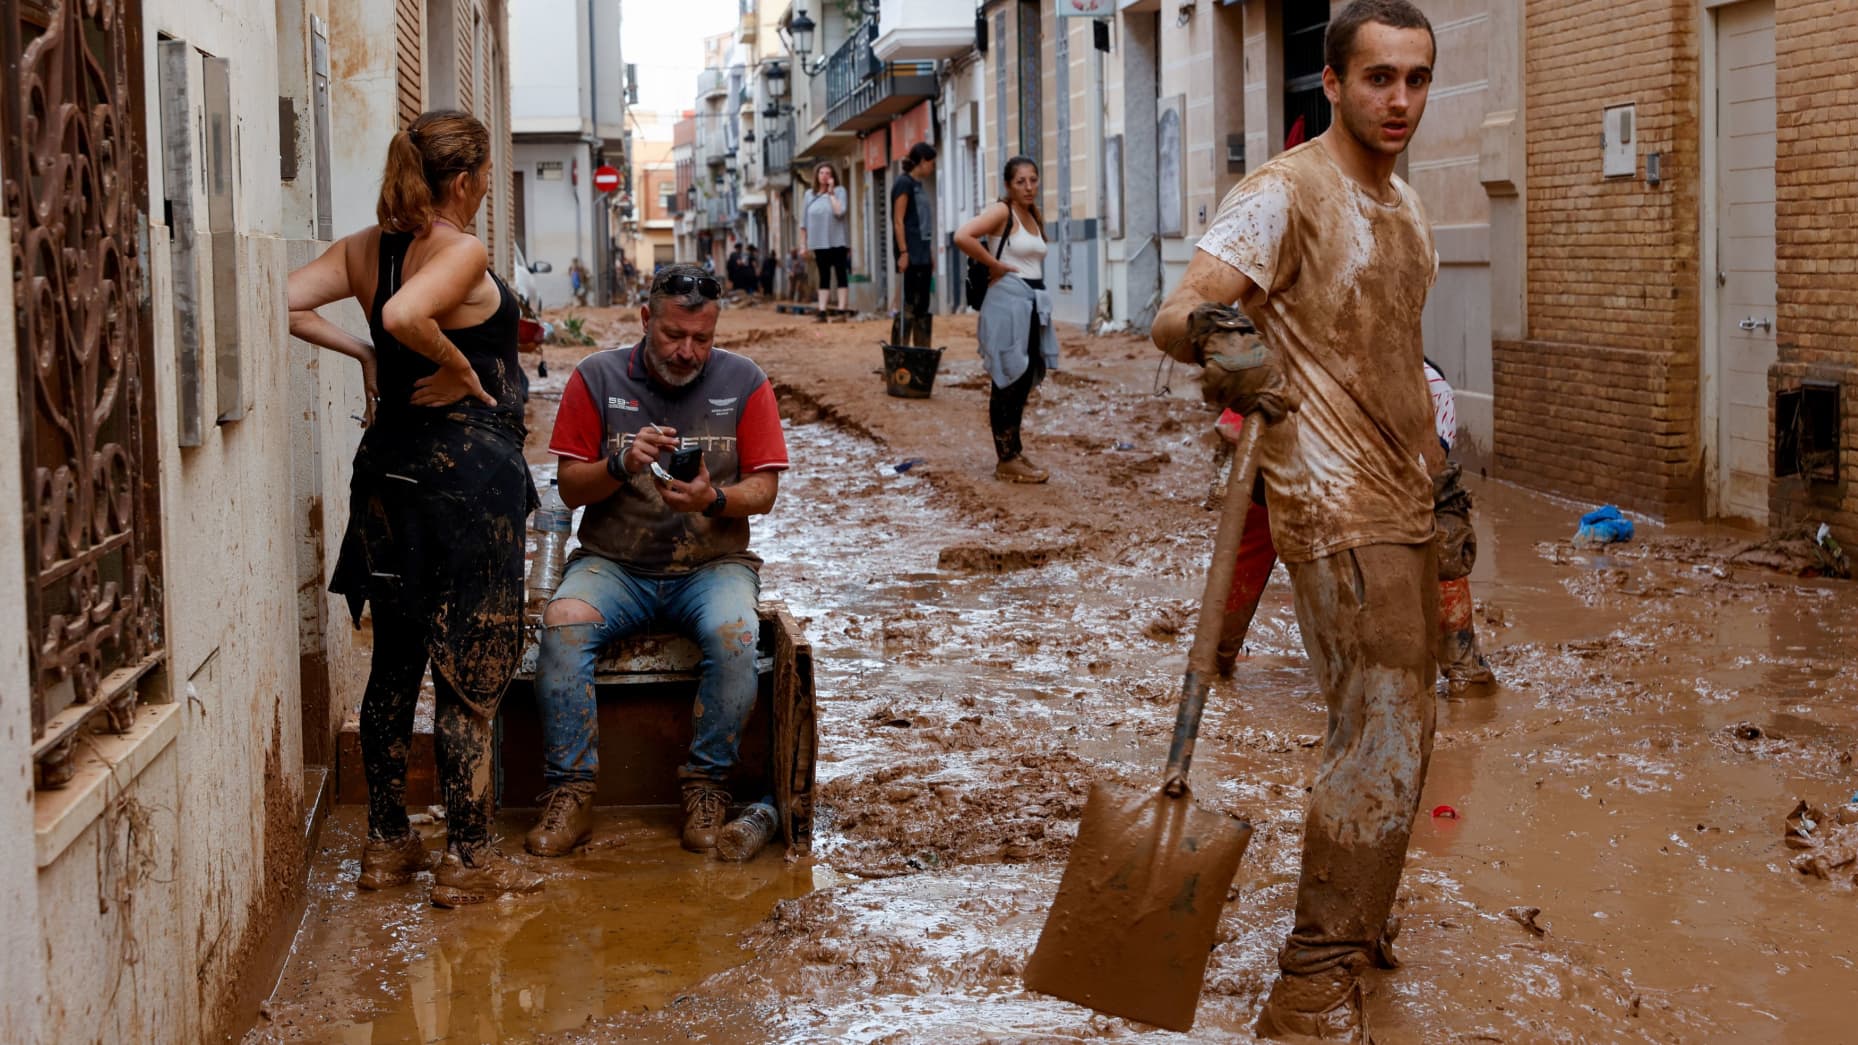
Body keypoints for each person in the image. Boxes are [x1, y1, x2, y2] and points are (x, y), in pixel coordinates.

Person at [1150, 1, 1442, 1036]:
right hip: (1325, 497)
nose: (1398, 98)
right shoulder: (1285, 192)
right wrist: (1220, 335)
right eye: (1377, 78)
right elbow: (1176, 309)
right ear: (1332, 83)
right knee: (1383, 726)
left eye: (1414, 78)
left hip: (1403, 495)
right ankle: (1310, 985)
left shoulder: (1405, 210)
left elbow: (1401, 365)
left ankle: (1354, 919)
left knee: (1399, 723)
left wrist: (1442, 497)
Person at [285, 109, 544, 907]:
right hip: (462, 486)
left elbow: (283, 299)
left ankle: (388, 844)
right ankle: (466, 859)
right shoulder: (458, 249)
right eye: (485, 178)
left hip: (389, 478)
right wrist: (462, 367)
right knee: (469, 666)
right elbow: (405, 315)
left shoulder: (367, 248)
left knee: (395, 660)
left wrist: (362, 352)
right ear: (464, 182)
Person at [525, 263, 790, 858]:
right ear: (646, 319)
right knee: (562, 627)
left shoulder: (745, 381)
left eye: (702, 338)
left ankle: (707, 786)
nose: (688, 351)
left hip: (712, 565)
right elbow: (568, 488)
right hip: (614, 563)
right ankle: (571, 790)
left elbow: (765, 492)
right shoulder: (596, 377)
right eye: (673, 335)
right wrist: (621, 463)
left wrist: (713, 499)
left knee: (738, 636)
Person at [1211, 358, 1495, 689]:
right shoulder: (1295, 370)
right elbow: (1234, 431)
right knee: (1262, 531)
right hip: (1294, 446)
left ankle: (1461, 665)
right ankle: (1217, 652)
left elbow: (1428, 475)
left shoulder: (1428, 389)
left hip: (1394, 458)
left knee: (1438, 525)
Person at [956, 156, 1057, 484]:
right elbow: (963, 236)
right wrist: (992, 265)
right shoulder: (1003, 211)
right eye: (1021, 182)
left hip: (1031, 303)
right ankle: (1006, 459)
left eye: (1033, 180)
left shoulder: (1031, 213)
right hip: (1007, 303)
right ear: (1008, 186)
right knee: (1008, 378)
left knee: (1024, 377)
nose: (1029, 187)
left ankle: (1014, 451)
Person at [890, 142, 938, 347]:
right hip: (909, 253)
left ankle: (922, 351)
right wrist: (903, 252)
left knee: (922, 305)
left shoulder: (919, 186)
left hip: (922, 253)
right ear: (921, 162)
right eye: (931, 163)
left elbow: (923, 224)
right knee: (909, 303)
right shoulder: (904, 184)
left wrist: (929, 253)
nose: (933, 167)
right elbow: (898, 220)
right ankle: (900, 351)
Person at [800, 163, 851, 317]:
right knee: (824, 275)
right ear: (816, 175)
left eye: (828, 172)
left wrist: (831, 193)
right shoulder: (809, 194)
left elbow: (839, 212)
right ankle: (822, 309)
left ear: (833, 176)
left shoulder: (840, 191)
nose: (824, 175)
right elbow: (804, 223)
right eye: (821, 172)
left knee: (841, 273)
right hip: (819, 242)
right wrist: (803, 245)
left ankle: (842, 309)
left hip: (838, 241)